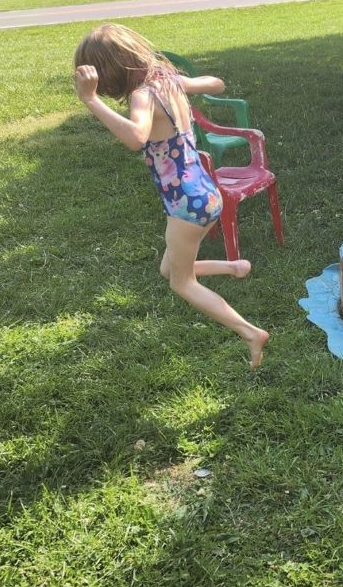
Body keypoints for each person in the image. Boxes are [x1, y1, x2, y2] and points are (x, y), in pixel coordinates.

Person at [73, 23, 268, 368]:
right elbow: (214, 83)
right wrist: (205, 83)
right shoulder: (169, 82)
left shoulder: (142, 96)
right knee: (169, 268)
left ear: (112, 72)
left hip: (185, 204)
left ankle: (251, 332)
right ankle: (235, 267)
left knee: (181, 282)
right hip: (205, 194)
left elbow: (135, 138)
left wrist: (89, 100)